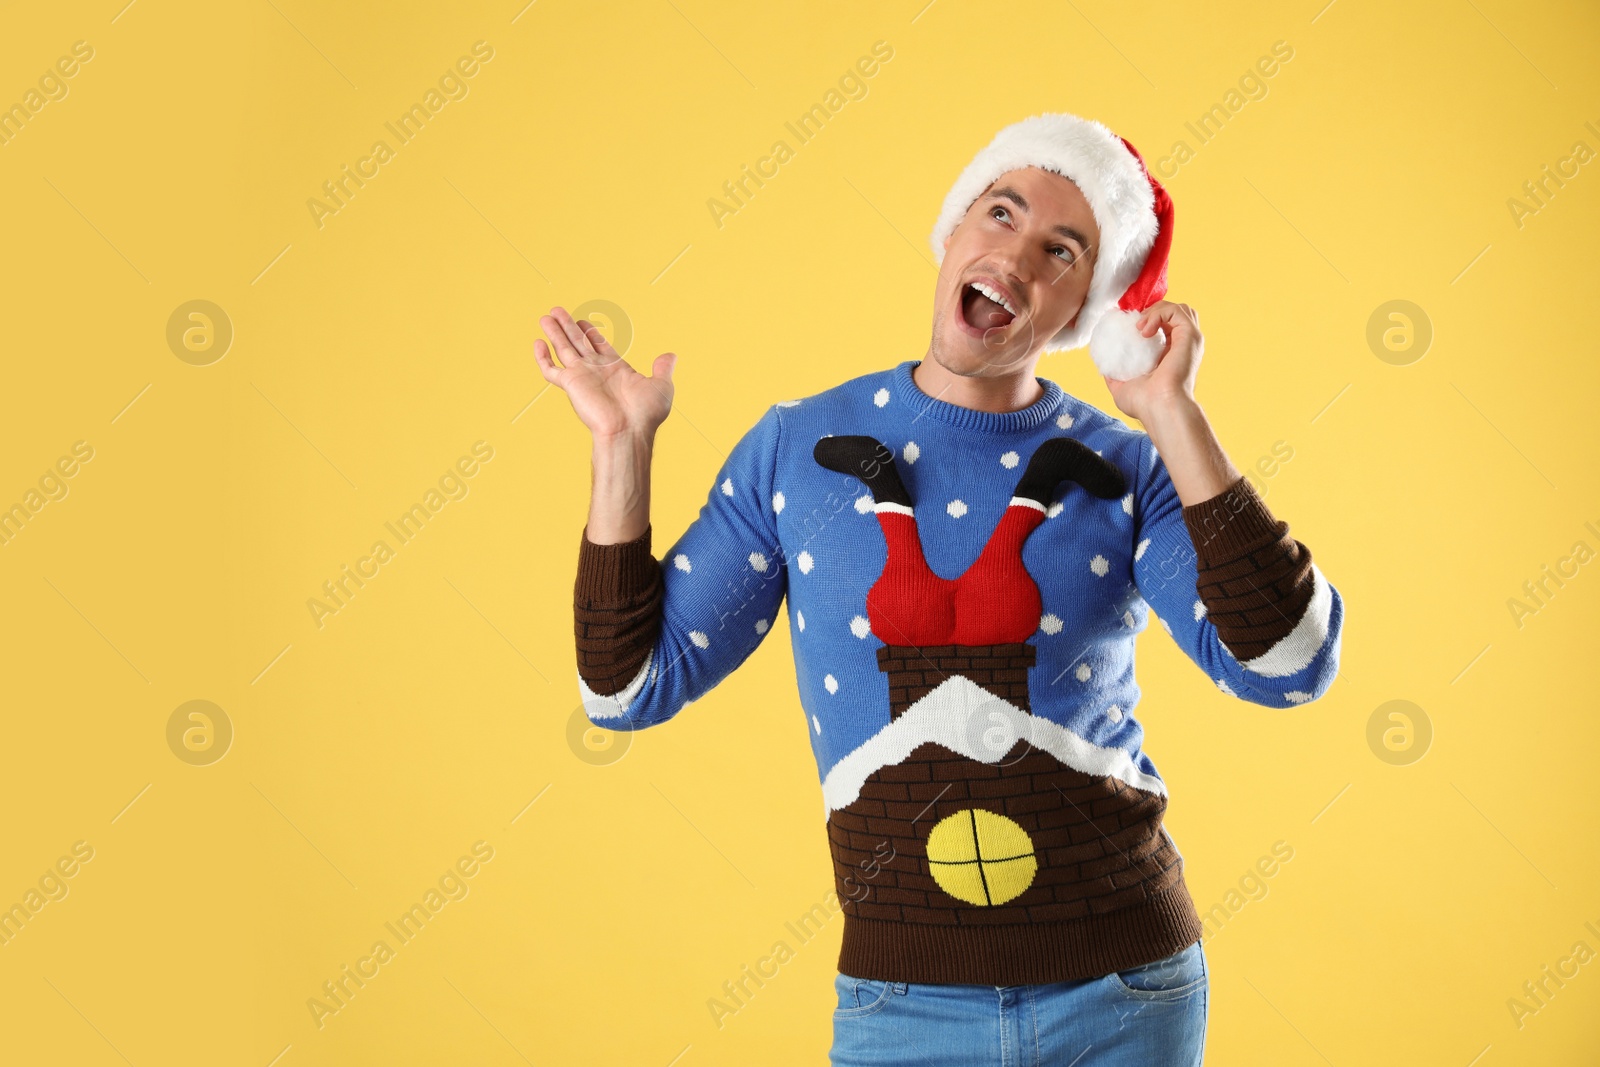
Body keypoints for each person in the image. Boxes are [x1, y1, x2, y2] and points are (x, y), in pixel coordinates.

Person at [538, 112, 1343, 1067]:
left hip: (1125, 990)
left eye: (1062, 250)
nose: (1017, 257)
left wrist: (1172, 411)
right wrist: (621, 446)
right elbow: (625, 688)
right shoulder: (795, 447)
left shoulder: (1129, 464)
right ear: (954, 230)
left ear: (1089, 308)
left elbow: (1289, 665)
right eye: (1000, 213)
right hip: (901, 1007)